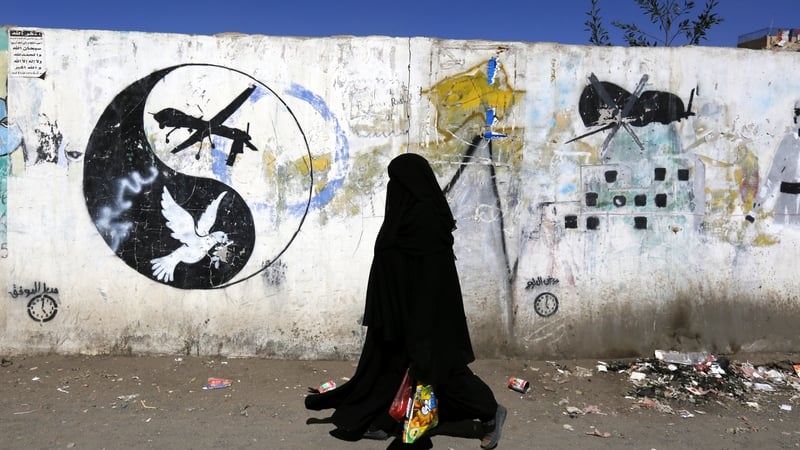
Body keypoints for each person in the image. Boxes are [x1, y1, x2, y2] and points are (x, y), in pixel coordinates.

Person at [305, 153, 506, 449]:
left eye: (396, 181)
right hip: (402, 313)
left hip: (429, 317)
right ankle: (389, 419)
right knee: (391, 366)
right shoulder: (405, 215)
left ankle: (490, 413)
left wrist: (420, 328)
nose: (392, 187)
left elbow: (431, 283)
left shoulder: (424, 221)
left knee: (445, 372)